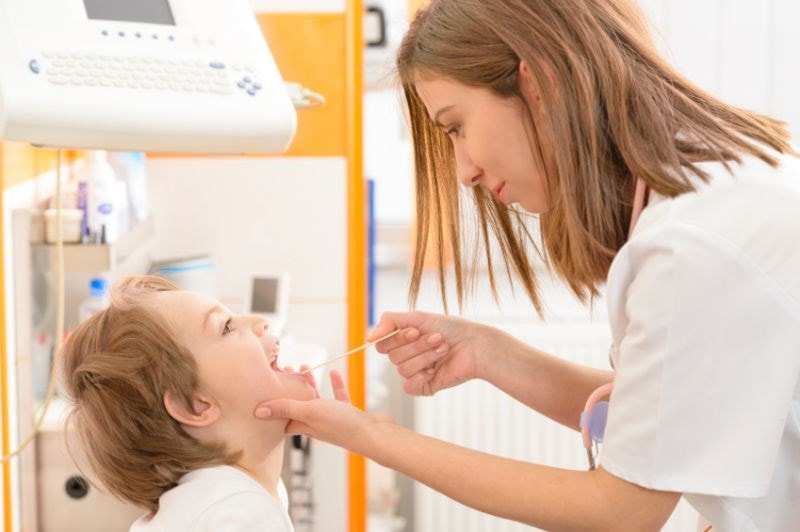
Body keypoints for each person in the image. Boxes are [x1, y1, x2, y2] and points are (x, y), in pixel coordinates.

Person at [254, 0, 800, 530]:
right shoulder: (713, 192)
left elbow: (621, 513)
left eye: (456, 127)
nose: (464, 172)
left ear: (539, 84)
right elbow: (660, 414)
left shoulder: (692, 244)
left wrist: (374, 438)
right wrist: (487, 352)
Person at [59, 275, 347, 531]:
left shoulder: (224, 501)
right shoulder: (241, 513)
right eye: (227, 327)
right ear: (195, 405)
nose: (260, 322)